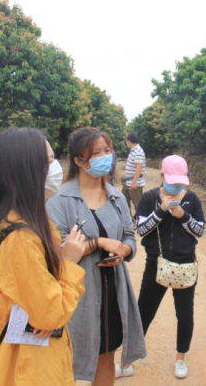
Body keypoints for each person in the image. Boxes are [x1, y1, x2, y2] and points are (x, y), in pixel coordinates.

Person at [0, 127, 87, 386]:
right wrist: (69, 262)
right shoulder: (21, 238)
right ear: (27, 170)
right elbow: (49, 314)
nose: (56, 167)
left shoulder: (20, 222)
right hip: (33, 367)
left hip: (34, 359)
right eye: (50, 160)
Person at [47, 127, 146, 385]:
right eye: (96, 153)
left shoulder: (116, 197)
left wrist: (124, 250)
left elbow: (128, 235)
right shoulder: (59, 202)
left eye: (107, 150)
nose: (105, 157)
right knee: (66, 356)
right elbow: (58, 253)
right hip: (76, 293)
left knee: (106, 355)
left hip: (112, 291)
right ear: (79, 161)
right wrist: (98, 242)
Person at [117, 155, 206, 380]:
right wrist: (160, 211)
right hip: (156, 264)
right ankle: (127, 362)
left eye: (180, 182)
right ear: (162, 176)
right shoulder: (149, 198)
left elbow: (200, 230)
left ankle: (180, 359)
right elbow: (141, 230)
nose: (176, 186)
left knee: (185, 315)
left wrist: (184, 216)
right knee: (143, 312)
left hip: (185, 264)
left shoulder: (192, 199)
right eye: (172, 181)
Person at [122, 133, 146, 220]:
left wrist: (134, 182)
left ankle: (140, 221)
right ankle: (129, 221)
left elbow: (139, 168)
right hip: (128, 182)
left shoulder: (138, 151)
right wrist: (126, 173)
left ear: (129, 141)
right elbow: (133, 166)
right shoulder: (133, 150)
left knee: (137, 204)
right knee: (124, 201)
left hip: (135, 183)